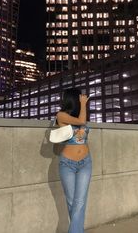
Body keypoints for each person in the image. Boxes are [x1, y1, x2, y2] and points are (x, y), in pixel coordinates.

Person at [56, 88, 92, 233]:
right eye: (79, 97)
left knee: (79, 202)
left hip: (85, 162)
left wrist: (82, 107)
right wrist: (83, 104)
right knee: (72, 203)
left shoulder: (79, 114)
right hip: (67, 164)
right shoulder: (61, 115)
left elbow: (82, 125)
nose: (82, 99)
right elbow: (82, 121)